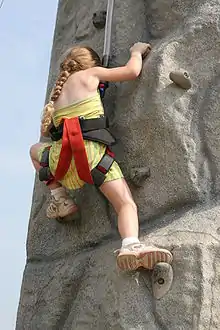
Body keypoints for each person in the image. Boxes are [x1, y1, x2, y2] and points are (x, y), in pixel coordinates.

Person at [30, 42, 173, 270]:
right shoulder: (92, 74)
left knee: (34, 150)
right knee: (125, 203)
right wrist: (135, 52)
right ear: (91, 64)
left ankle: (60, 198)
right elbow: (132, 71)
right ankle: (130, 244)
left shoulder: (55, 94)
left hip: (62, 163)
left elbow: (47, 133)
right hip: (92, 157)